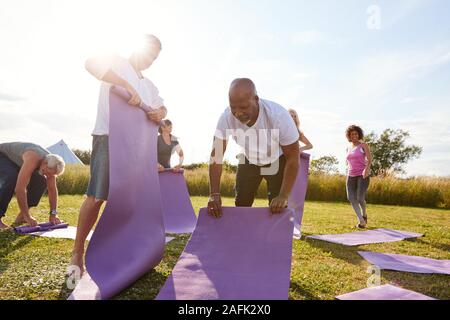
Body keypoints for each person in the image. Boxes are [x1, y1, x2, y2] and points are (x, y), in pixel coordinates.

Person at [70, 34, 167, 273]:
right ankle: (77, 252)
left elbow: (162, 106)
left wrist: (160, 112)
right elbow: (90, 64)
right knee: (97, 196)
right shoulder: (116, 62)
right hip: (108, 138)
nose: (150, 59)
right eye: (148, 53)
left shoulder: (150, 85)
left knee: (132, 202)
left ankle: (124, 249)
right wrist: (125, 84)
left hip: (138, 149)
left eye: (154, 58)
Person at [208, 78, 300, 217]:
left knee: (278, 206)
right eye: (234, 108)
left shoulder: (279, 116)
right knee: (241, 204)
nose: (238, 113)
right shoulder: (226, 118)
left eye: (243, 107)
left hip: (276, 159)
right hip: (248, 159)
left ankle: (273, 237)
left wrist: (283, 195)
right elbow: (217, 156)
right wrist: (214, 193)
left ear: (256, 99)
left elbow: (293, 158)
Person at [0, 142, 65, 230]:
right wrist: (28, 216)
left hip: (16, 161)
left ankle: (22, 216)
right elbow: (20, 189)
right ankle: (23, 215)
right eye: (48, 173)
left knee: (42, 180)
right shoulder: (33, 157)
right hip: (3, 156)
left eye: (51, 175)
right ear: (45, 163)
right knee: (11, 177)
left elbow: (52, 189)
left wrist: (53, 214)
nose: (48, 176)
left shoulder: (51, 163)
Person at [345, 125, 372, 228]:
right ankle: (361, 221)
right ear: (349, 136)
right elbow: (348, 161)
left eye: (356, 134)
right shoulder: (348, 147)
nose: (354, 136)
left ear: (359, 134)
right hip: (350, 175)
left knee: (360, 198)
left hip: (362, 175)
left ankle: (364, 214)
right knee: (351, 197)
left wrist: (366, 169)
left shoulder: (363, 145)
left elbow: (369, 159)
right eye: (352, 134)